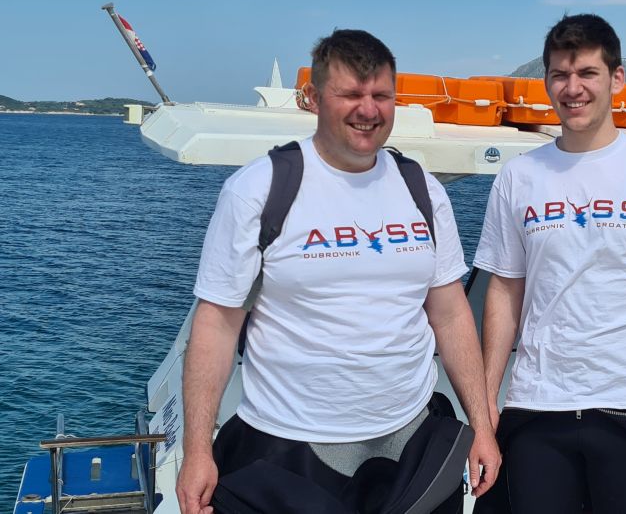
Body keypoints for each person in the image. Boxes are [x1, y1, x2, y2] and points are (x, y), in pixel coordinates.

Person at [174, 29, 500, 514]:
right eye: (350, 94)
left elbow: (450, 314)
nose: (368, 110)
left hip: (410, 440)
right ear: (313, 98)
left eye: (381, 95)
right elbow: (216, 325)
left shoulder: (421, 190)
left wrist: (482, 426)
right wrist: (197, 450)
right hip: (290, 445)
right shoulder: (258, 190)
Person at [473, 14, 626, 513]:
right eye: (560, 75)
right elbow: (504, 291)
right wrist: (485, 409)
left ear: (616, 79)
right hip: (537, 405)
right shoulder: (519, 177)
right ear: (546, 82)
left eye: (587, 73)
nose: (573, 88)